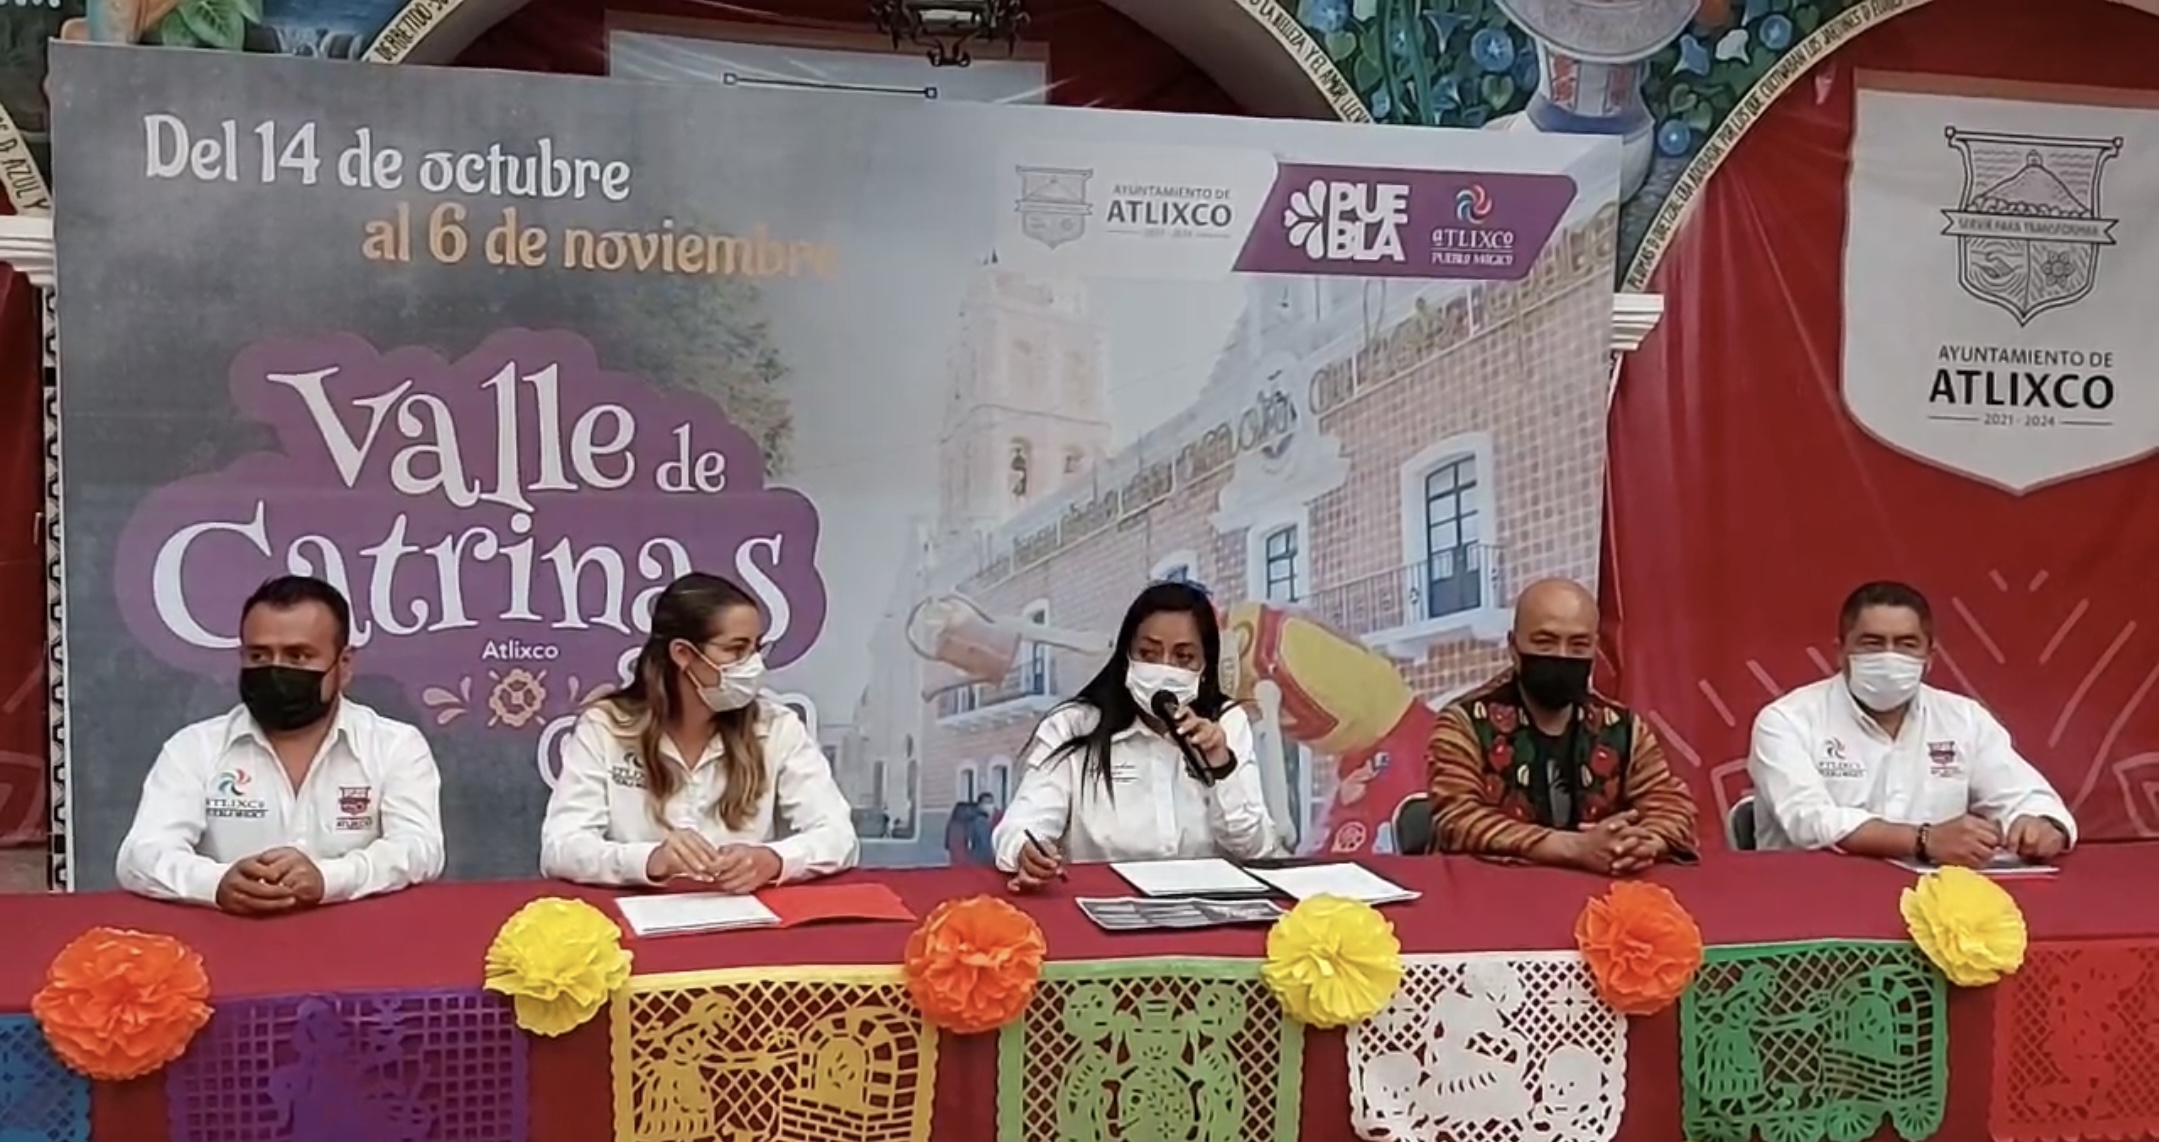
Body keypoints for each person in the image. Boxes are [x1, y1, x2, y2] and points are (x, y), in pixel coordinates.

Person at [115, 575, 445, 913]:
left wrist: (329, 879)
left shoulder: (395, 746)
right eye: (259, 656)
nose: (275, 671)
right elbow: (141, 855)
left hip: (359, 940)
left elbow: (419, 847)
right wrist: (216, 884)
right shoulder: (193, 748)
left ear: (344, 664)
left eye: (298, 656)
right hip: (230, 939)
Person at [540, 572, 858, 889]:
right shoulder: (606, 727)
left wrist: (774, 860)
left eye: (757, 648)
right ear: (683, 654)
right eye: (736, 649)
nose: (754, 664)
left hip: (743, 912)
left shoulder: (776, 727)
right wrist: (650, 860)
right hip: (638, 912)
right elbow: (561, 847)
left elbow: (839, 837)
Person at [1748, 580, 2074, 865]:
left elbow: (2024, 796)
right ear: (1841, 652)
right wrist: (1923, 840)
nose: (1889, 656)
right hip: (1811, 896)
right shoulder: (1786, 720)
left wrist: (2044, 827)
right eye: (1872, 643)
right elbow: (1808, 820)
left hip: (1935, 900)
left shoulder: (1965, 719)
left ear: (1929, 657)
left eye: (1906, 644)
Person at [993, 581, 1277, 889]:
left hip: (1206, 906)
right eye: (1148, 654)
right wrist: (1026, 851)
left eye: (1183, 657)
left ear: (1205, 666)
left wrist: (1222, 767)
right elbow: (1021, 825)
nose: (1164, 669)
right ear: (1126, 656)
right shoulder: (1074, 723)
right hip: (1101, 904)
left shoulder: (1227, 722)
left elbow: (1255, 849)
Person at [1425, 578, 1697, 873]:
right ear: (1513, 647)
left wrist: (1642, 844)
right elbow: (1457, 821)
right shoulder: (1463, 724)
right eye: (1545, 642)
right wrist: (1573, 848)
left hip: (1603, 891)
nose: (1562, 655)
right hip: (1494, 892)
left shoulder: (1625, 728)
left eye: (1579, 646)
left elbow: (1671, 806)